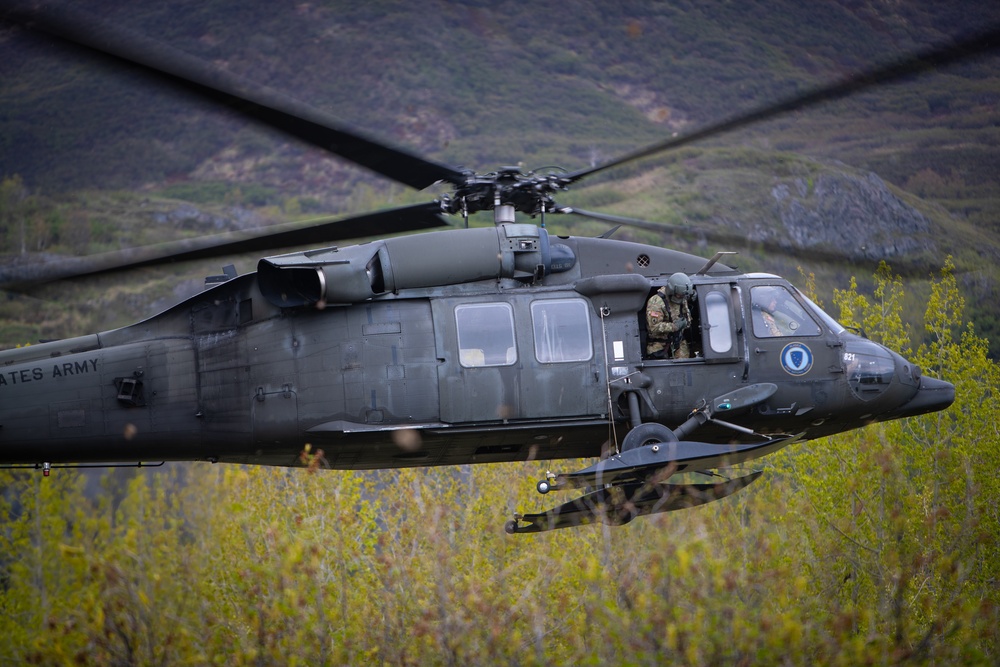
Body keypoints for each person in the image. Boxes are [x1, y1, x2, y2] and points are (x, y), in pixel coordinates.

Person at [646, 272, 694, 359]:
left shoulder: (682, 297)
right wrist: (674, 326)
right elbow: (654, 328)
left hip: (678, 341)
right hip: (660, 344)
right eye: (679, 295)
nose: (681, 298)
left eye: (683, 296)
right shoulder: (656, 302)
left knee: (685, 364)